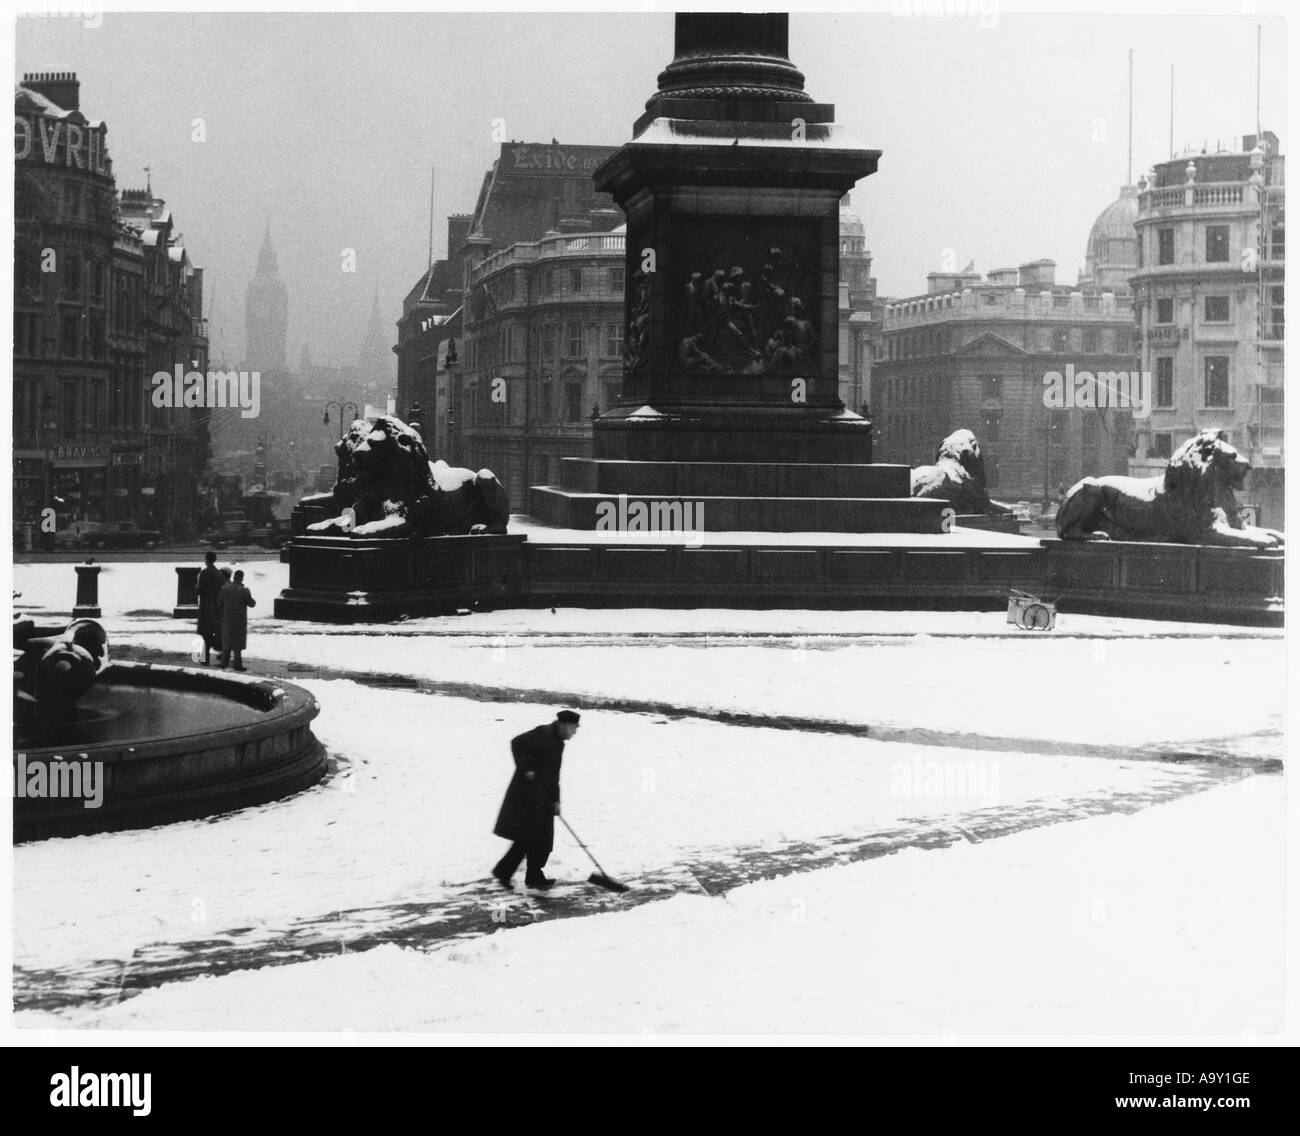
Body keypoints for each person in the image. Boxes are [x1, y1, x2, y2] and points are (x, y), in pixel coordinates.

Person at [492, 710, 581, 890]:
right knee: (529, 837)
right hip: (527, 795)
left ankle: (528, 874)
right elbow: (516, 742)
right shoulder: (543, 734)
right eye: (573, 728)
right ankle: (512, 873)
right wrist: (526, 768)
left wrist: (556, 800)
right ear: (563, 725)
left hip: (543, 796)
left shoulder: (559, 742)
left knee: (542, 839)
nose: (575, 732)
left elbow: (555, 774)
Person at [216, 569, 255, 671]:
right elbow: (252, 603)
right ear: (241, 578)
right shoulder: (244, 591)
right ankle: (237, 664)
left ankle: (224, 662)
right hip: (239, 620)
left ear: (234, 577)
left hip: (227, 619)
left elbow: (219, 603)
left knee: (227, 640)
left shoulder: (225, 589)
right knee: (237, 644)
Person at [195, 551, 225, 666]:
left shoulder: (205, 573)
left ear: (206, 559)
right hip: (217, 606)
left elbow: (200, 590)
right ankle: (207, 655)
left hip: (206, 606)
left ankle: (205, 657)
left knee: (206, 633)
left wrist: (196, 587)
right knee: (212, 631)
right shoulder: (219, 574)